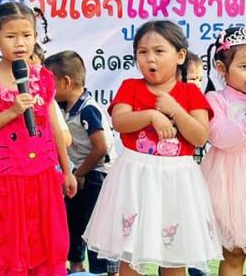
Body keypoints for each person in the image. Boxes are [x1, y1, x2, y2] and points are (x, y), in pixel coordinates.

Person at [83, 20, 222, 275]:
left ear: (180, 56)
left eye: (159, 51)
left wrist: (175, 109)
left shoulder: (191, 93)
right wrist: (151, 115)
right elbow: (119, 121)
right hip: (134, 178)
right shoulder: (130, 87)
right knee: (130, 254)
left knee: (174, 256)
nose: (150, 58)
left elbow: (200, 136)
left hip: (176, 181)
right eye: (142, 52)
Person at [0, 2, 76, 276]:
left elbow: (53, 126)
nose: (20, 43)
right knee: (6, 250)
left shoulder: (43, 78)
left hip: (41, 177)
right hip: (1, 181)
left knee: (43, 248)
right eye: (11, 36)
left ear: (35, 37)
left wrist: (67, 170)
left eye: (27, 35)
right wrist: (12, 111)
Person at [201, 26, 246, 275]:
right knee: (232, 254)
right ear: (222, 68)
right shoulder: (216, 99)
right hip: (229, 184)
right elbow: (219, 136)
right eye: (244, 66)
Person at [46, 50, 118, 276]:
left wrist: (79, 174)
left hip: (99, 175)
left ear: (66, 82)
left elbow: (100, 147)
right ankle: (76, 266)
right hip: (81, 173)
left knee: (96, 225)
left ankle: (104, 270)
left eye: (50, 82)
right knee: (74, 221)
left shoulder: (88, 109)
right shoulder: (64, 108)